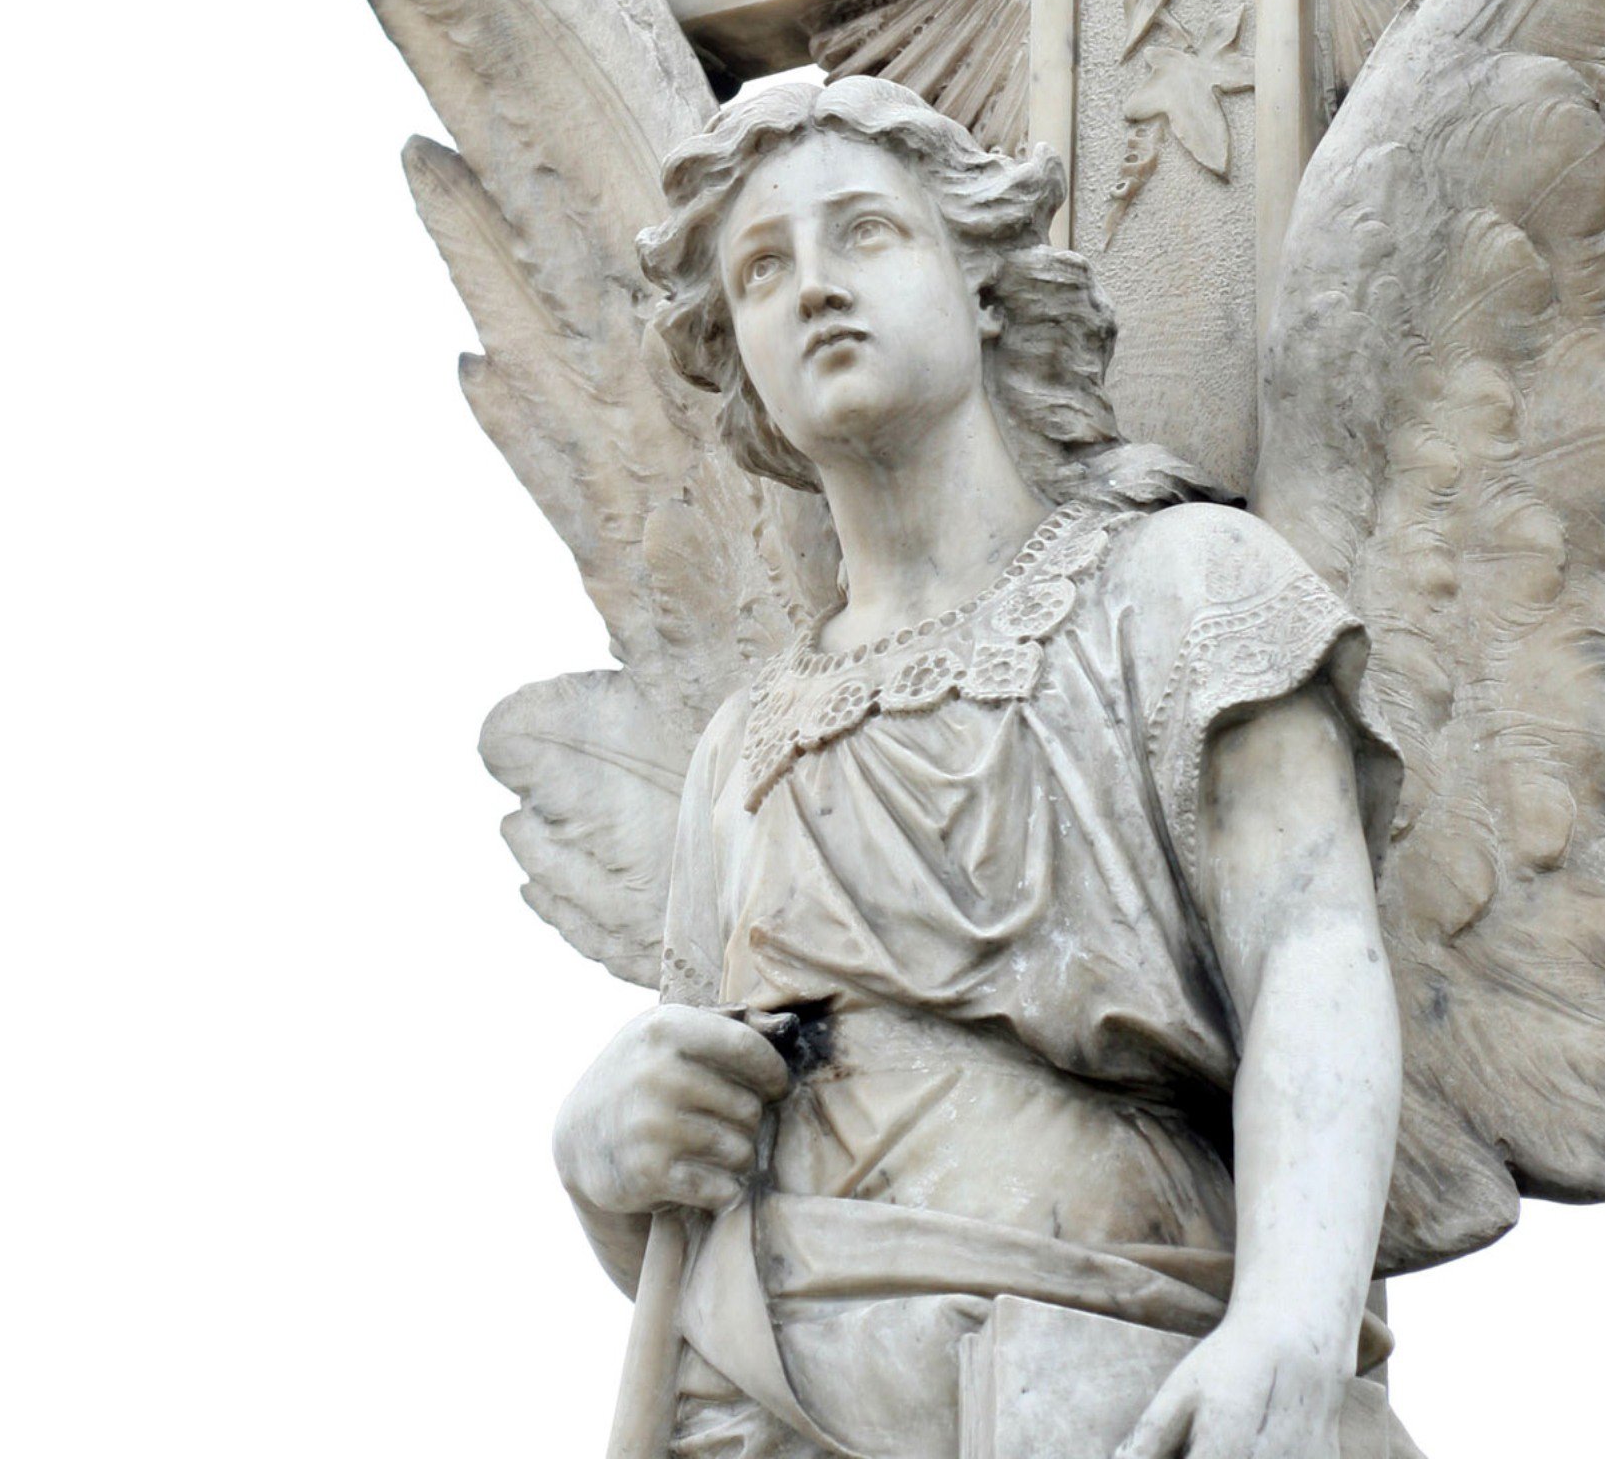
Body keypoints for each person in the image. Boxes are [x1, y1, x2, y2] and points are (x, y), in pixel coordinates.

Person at [552, 77, 1405, 1459]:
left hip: (1092, 1372)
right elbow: (709, 1171)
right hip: (763, 1412)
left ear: (986, 287)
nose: (814, 286)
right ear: (735, 357)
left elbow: (1312, 950)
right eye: (761, 268)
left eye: (866, 232)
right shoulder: (741, 747)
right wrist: (605, 1155)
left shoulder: (1182, 588)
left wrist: (1294, 1320)